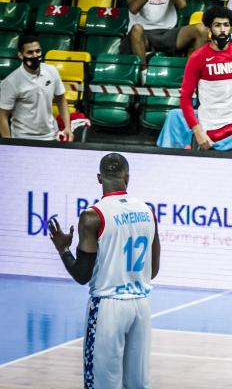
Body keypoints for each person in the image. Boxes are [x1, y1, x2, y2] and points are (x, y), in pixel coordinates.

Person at [46, 153, 161, 388]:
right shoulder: (148, 211)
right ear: (127, 177)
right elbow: (154, 270)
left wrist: (63, 249)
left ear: (99, 178)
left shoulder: (92, 217)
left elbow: (82, 275)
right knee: (137, 384)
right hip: (141, 305)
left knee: (102, 383)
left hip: (108, 306)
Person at [180, 6, 232, 150]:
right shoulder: (197, 58)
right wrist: (197, 130)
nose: (222, 29)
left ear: (231, 28)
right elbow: (185, 97)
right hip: (210, 129)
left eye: (226, 25)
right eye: (217, 25)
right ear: (209, 28)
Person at [0, 35, 71, 141]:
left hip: (52, 136)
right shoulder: (11, 82)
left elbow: (61, 99)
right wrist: (8, 143)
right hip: (23, 138)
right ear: (20, 55)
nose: (35, 55)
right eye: (30, 52)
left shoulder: (52, 71)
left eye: (37, 51)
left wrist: (67, 127)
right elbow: (2, 115)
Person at [122, 0, 208, 71]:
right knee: (136, 29)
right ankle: (143, 73)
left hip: (167, 32)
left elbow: (182, 5)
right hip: (143, 34)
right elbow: (133, 8)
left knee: (201, 29)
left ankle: (193, 74)